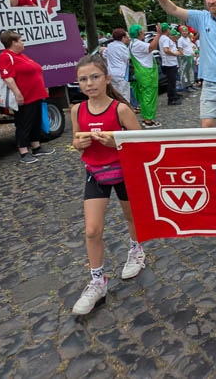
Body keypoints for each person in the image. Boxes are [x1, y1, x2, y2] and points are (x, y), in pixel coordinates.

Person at [70, 54, 146, 315]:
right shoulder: (77, 110)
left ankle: (137, 250)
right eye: (83, 79)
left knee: (131, 217)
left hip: (124, 171)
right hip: (95, 173)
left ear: (106, 79)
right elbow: (75, 140)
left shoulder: (120, 110)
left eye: (94, 77)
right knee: (92, 230)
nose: (89, 83)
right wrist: (78, 144)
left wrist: (116, 142)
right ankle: (97, 281)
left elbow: (141, 143)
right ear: (78, 84)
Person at [0, 30, 56, 164]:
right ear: (14, 43)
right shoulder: (5, 57)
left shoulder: (21, 55)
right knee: (24, 123)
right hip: (25, 96)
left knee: (35, 121)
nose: (23, 42)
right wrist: (18, 94)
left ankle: (36, 146)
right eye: (21, 40)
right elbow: (8, 78)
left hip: (35, 95)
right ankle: (23, 151)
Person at [128, 24, 162, 128]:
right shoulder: (137, 43)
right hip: (146, 74)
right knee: (149, 97)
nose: (143, 32)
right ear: (139, 33)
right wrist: (159, 34)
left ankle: (145, 118)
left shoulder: (132, 43)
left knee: (144, 97)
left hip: (142, 73)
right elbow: (152, 47)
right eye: (142, 31)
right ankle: (148, 121)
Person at [103, 28, 132, 102]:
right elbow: (127, 58)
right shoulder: (122, 47)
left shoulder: (110, 46)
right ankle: (125, 111)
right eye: (126, 37)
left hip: (111, 73)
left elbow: (104, 55)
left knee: (115, 95)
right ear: (122, 37)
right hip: (122, 74)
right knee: (124, 94)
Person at [158, 24, 183, 105]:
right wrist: (175, 54)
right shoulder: (165, 38)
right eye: (169, 29)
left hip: (168, 63)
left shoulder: (163, 38)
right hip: (170, 63)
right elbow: (166, 50)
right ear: (167, 30)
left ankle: (174, 94)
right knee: (171, 82)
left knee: (172, 81)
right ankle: (172, 99)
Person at [177, 26, 197, 92]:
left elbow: (189, 47)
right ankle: (187, 87)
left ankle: (191, 85)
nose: (185, 32)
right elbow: (180, 49)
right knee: (186, 72)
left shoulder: (188, 39)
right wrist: (184, 57)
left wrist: (193, 53)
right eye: (183, 31)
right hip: (186, 58)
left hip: (191, 57)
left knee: (191, 72)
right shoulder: (180, 40)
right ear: (181, 32)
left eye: (186, 31)